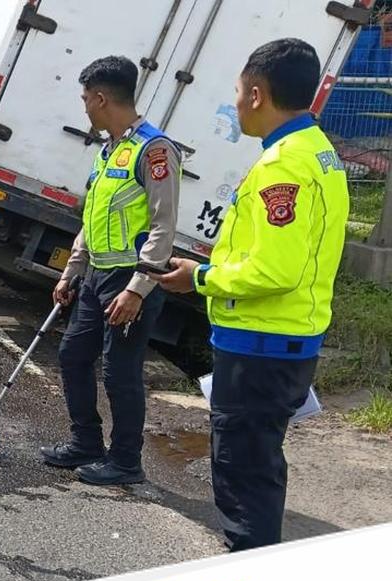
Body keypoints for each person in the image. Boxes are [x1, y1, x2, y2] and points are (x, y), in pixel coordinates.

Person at [153, 39, 347, 551]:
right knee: (259, 468)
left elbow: (274, 269)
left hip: (260, 345)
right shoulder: (320, 153)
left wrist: (200, 278)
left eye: (239, 91)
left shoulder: (282, 165)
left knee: (243, 477)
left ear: (257, 94)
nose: (236, 102)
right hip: (288, 341)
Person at [40, 55, 180, 486]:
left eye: (86, 99)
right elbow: (93, 219)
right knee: (73, 355)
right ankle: (85, 443)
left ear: (101, 98)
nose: (84, 107)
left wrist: (138, 289)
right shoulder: (109, 151)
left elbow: (163, 226)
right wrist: (70, 272)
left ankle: (125, 462)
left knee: (120, 372)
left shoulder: (155, 150)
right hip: (97, 276)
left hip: (130, 282)